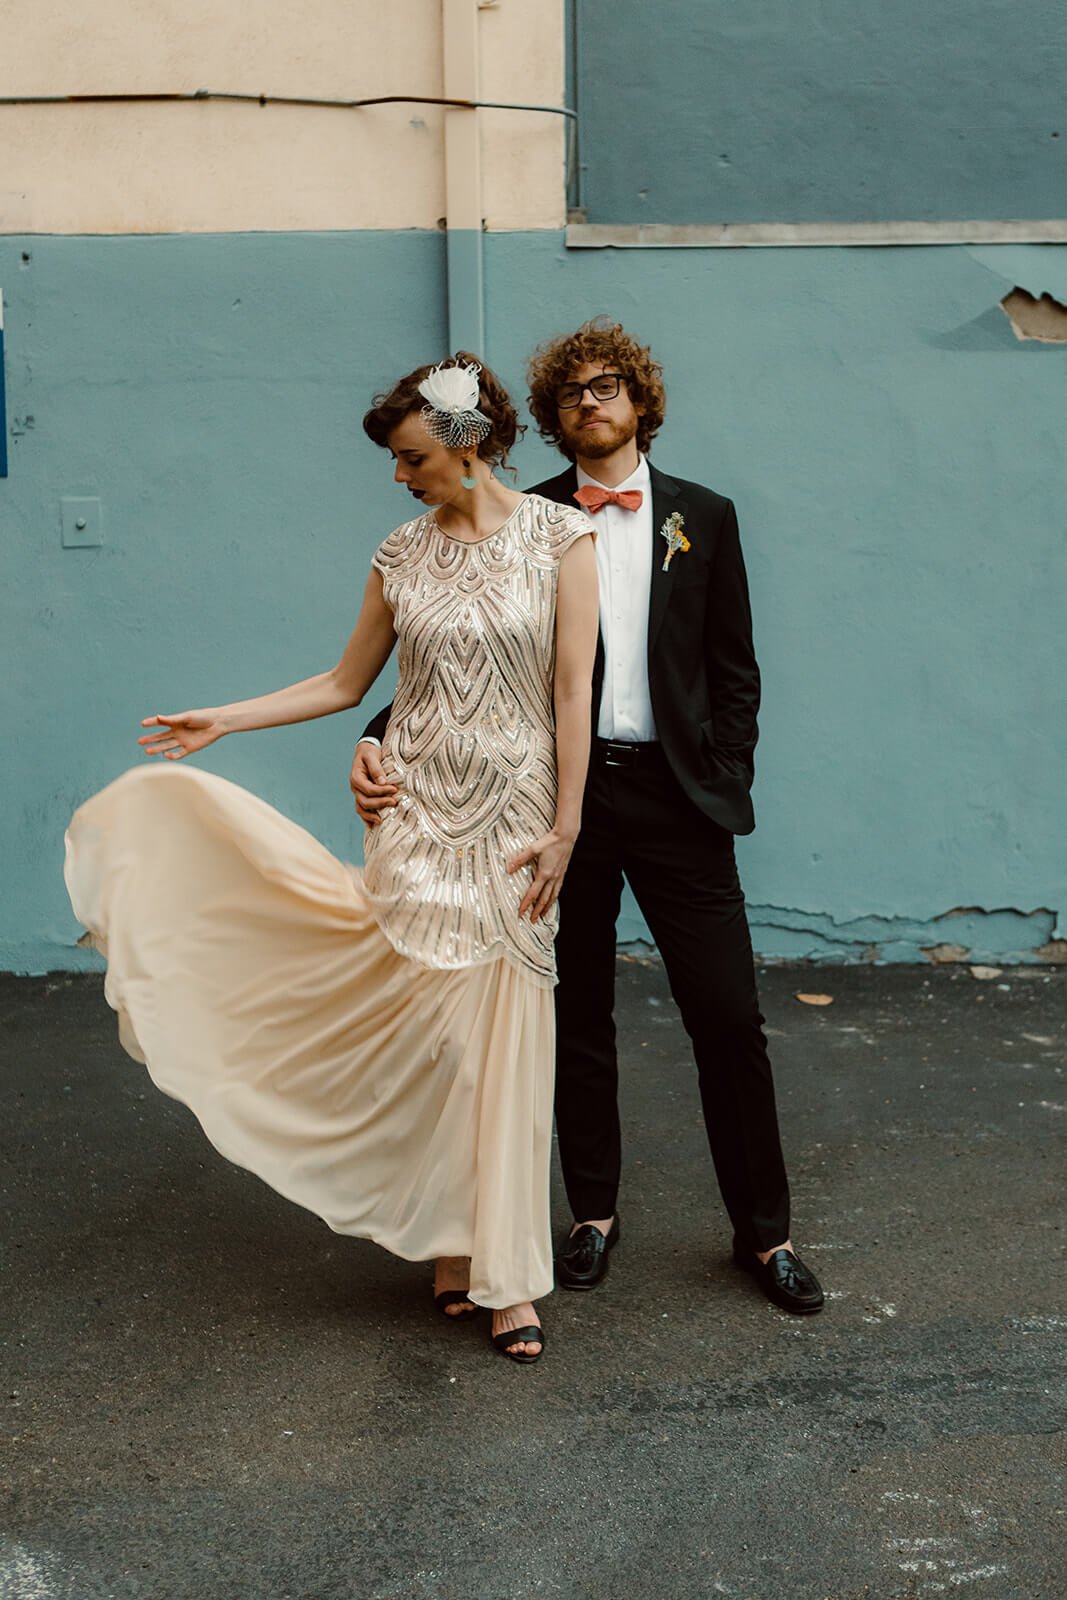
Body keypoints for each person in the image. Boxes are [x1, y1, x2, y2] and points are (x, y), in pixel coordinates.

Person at [63, 354, 599, 1364]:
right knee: (438, 1043)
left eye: (409, 457)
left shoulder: (560, 539)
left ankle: (508, 1277)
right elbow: (345, 680)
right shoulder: (399, 550)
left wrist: (568, 825)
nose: (398, 478)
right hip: (413, 815)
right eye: (394, 462)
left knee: (503, 1043)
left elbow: (571, 693)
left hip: (517, 822)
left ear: (467, 442)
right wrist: (221, 718)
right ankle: (451, 1242)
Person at [351, 320, 825, 1316]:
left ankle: (764, 1234)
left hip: (679, 799)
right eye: (569, 392)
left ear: (639, 400)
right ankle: (590, 1214)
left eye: (605, 386)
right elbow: (463, 651)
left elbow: (733, 667)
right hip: (560, 802)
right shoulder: (527, 515)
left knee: (728, 1018)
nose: (588, 402)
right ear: (549, 418)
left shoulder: (705, 516)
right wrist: (375, 735)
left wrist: (722, 769)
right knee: (575, 1015)